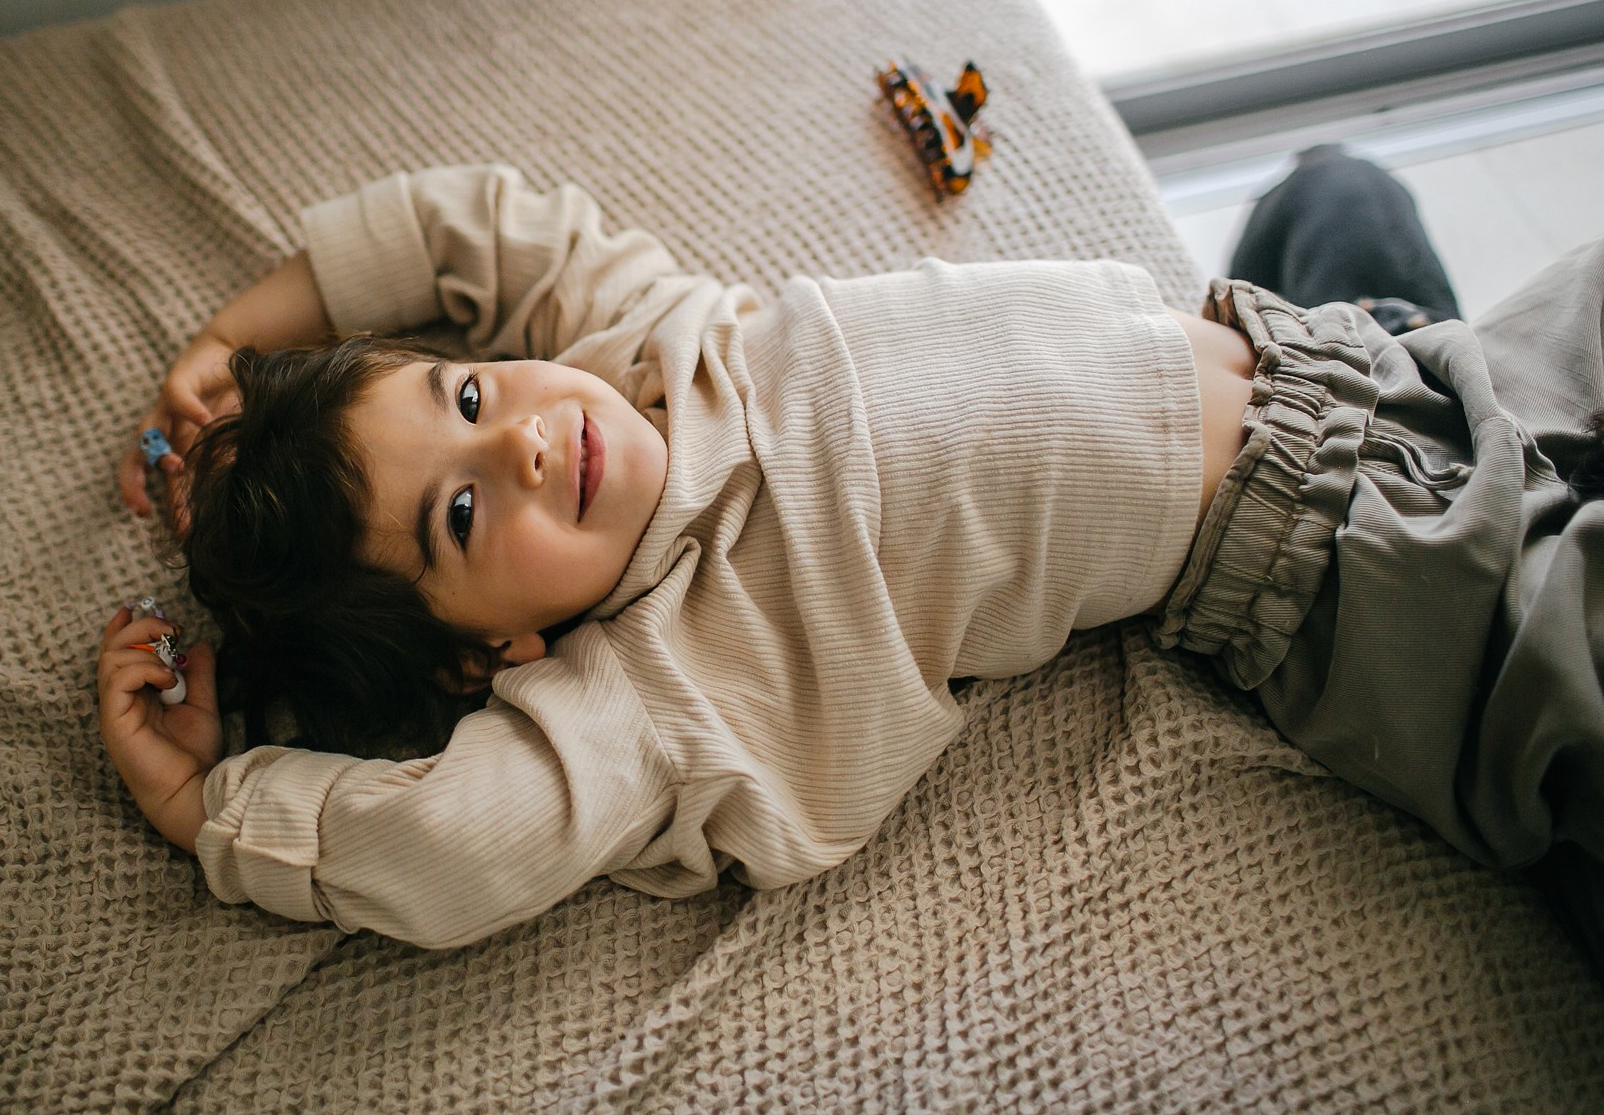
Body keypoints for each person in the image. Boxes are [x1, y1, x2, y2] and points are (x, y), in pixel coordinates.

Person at [95, 153, 1603, 957]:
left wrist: (241, 336)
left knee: (1338, 194)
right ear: (489, 653)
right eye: (466, 517)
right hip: (1365, 564)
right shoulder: (656, 686)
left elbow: (478, 228)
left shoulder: (659, 340)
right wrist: (207, 803)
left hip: (1367, 366)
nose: (527, 444)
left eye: (474, 395)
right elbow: (445, 843)